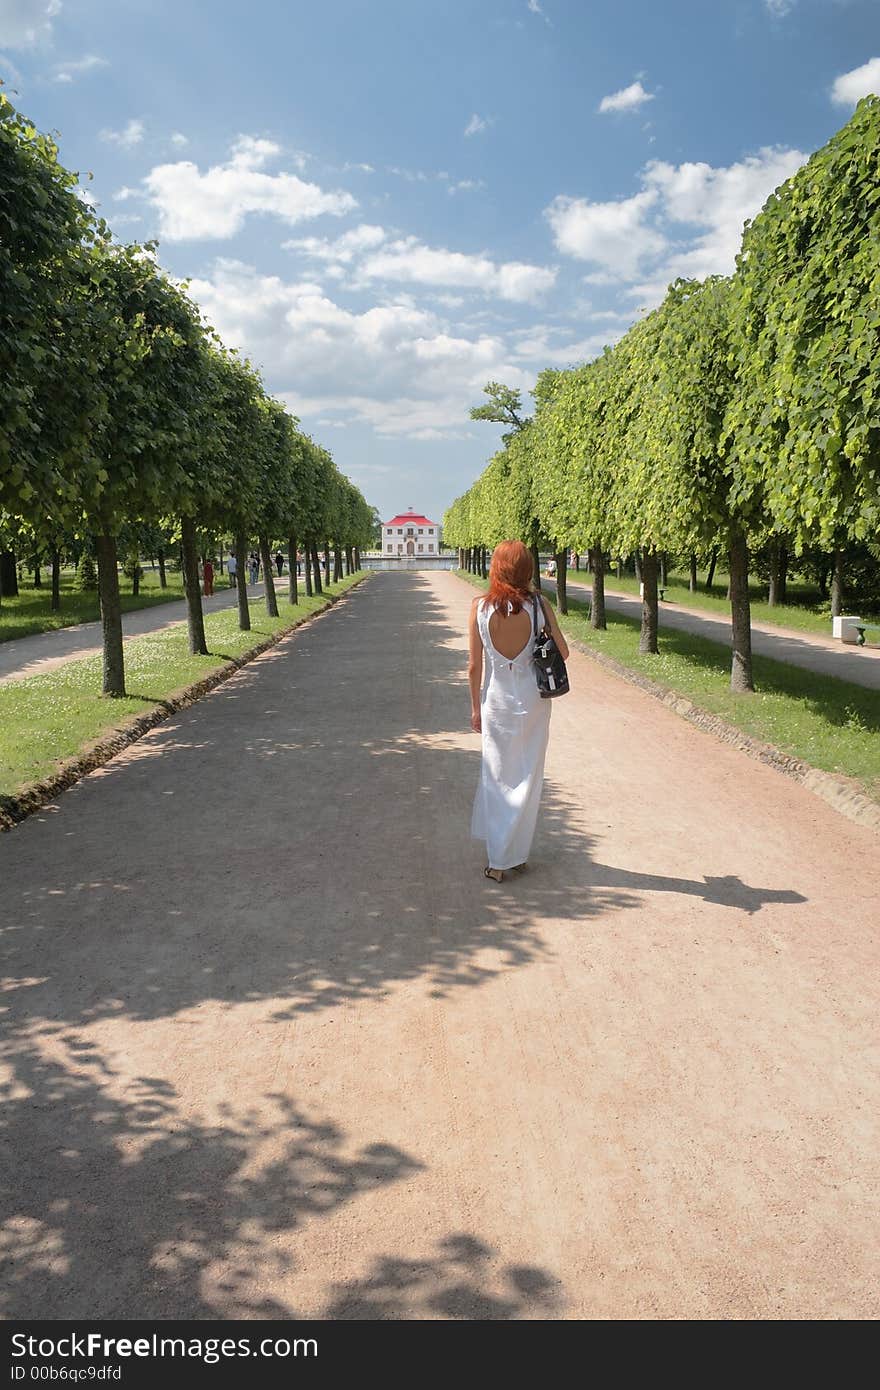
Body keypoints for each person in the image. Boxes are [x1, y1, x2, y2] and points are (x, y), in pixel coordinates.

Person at [468, 540, 569, 882]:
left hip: (496, 702)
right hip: (534, 700)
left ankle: (499, 861)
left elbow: (473, 667)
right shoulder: (539, 605)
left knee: (498, 777)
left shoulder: (479, 607)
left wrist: (474, 709)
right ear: (527, 569)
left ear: (496, 568)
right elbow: (564, 653)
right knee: (528, 776)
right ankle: (517, 855)